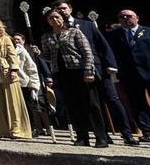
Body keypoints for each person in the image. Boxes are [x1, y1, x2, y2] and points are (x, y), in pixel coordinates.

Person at [53, 0, 137, 145]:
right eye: (58, 9)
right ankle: (102, 134)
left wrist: (110, 64)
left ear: (70, 9)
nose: (61, 11)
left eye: (64, 8)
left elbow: (102, 45)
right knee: (91, 103)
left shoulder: (87, 25)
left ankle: (127, 134)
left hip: (97, 68)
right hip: (77, 71)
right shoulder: (58, 31)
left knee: (112, 99)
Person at [40, 9, 109, 148]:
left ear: (62, 18)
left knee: (91, 104)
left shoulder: (74, 32)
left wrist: (88, 71)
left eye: (56, 17)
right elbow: (48, 56)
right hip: (61, 73)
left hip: (79, 70)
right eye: (51, 18)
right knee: (72, 105)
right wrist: (39, 53)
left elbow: (87, 52)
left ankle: (101, 137)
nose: (54, 20)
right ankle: (82, 136)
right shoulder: (46, 37)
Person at [107, 9, 150, 143]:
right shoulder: (113, 36)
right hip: (130, 74)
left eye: (129, 16)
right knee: (137, 105)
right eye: (122, 17)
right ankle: (148, 132)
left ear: (137, 18)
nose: (126, 18)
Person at [12, 34, 42, 138]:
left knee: (30, 107)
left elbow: (32, 68)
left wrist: (33, 84)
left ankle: (34, 128)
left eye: (18, 39)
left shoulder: (25, 51)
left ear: (23, 40)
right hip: (15, 83)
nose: (16, 41)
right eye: (14, 39)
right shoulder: (12, 51)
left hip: (25, 83)